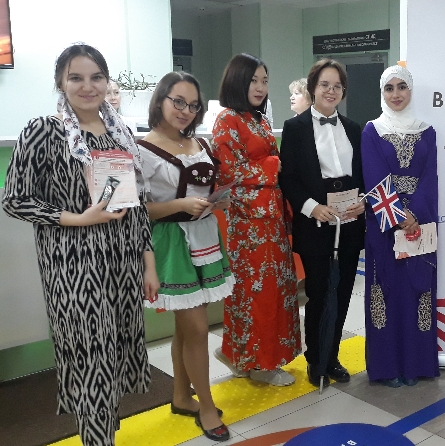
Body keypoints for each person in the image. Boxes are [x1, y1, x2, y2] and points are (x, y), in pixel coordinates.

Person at [2, 43, 158, 446]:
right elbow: (14, 200)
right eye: (76, 78)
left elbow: (136, 205)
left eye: (96, 77)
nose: (88, 86)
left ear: (107, 82)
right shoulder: (43, 131)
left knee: (114, 358)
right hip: (74, 272)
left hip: (123, 265)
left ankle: (103, 435)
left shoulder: (119, 132)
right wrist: (77, 218)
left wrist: (148, 263)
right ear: (60, 82)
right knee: (91, 362)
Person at [138, 72, 234, 442]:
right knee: (196, 328)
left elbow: (203, 189)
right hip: (172, 243)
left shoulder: (199, 142)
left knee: (187, 325)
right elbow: (136, 209)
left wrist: (216, 201)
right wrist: (179, 205)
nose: (185, 110)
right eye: (178, 101)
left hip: (205, 235)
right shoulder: (142, 149)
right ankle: (206, 407)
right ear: (161, 99)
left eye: (193, 105)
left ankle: (181, 396)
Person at [211, 53, 302, 386]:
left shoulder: (259, 119)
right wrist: (273, 166)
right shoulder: (227, 120)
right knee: (255, 294)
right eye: (253, 80)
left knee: (275, 291)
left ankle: (242, 355)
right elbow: (229, 172)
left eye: (265, 81)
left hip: (271, 219)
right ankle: (260, 365)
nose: (261, 87)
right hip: (248, 222)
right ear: (238, 80)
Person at [279, 59, 366, 387]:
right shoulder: (295, 127)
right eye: (325, 85)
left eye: (337, 86)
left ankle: (333, 358)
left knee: (342, 292)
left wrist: (363, 201)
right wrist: (311, 207)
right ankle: (315, 359)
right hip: (316, 220)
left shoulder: (354, 128)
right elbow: (288, 177)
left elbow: (363, 174)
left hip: (349, 219)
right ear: (313, 88)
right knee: (318, 293)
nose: (331, 91)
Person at [361, 65, 439, 387]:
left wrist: (415, 214)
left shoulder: (427, 131)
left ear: (411, 90)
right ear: (382, 93)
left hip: (418, 225)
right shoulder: (372, 130)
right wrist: (397, 216)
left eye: (402, 87)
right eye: (389, 88)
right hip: (384, 226)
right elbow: (373, 176)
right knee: (387, 289)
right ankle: (387, 366)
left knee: (417, 289)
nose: (396, 94)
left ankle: (415, 364)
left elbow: (430, 178)